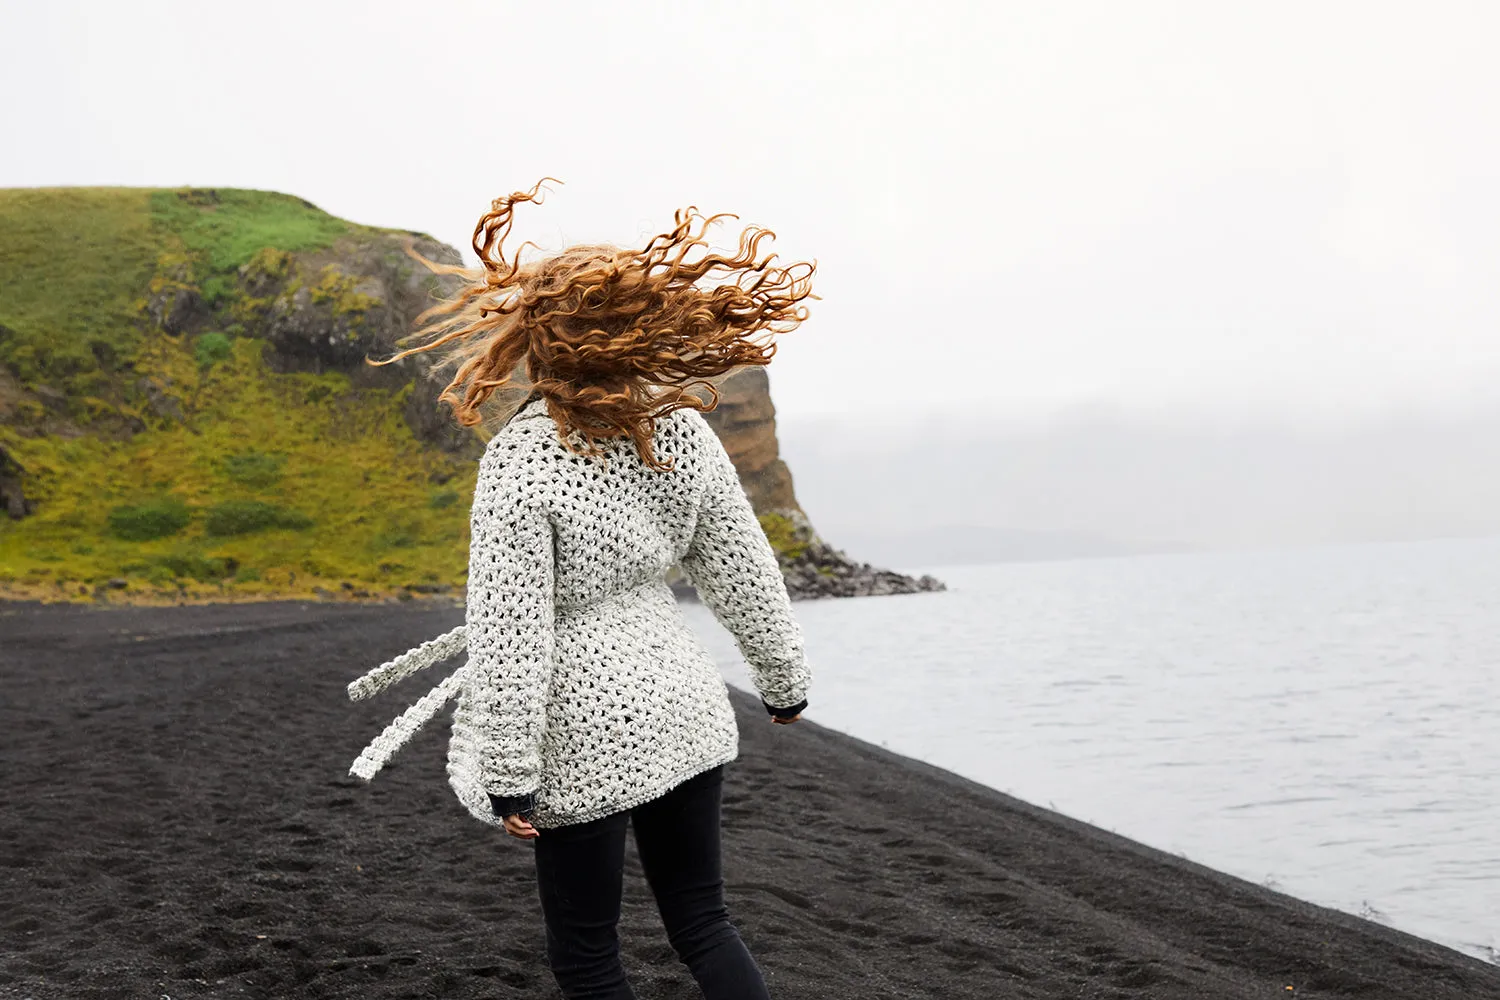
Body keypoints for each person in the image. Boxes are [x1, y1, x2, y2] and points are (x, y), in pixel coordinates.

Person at [344, 179, 816, 1000]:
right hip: (684, 709)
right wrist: (784, 683)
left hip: (579, 734)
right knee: (704, 924)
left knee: (590, 957)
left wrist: (509, 771)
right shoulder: (683, 431)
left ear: (537, 338)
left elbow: (511, 633)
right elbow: (742, 569)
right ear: (639, 329)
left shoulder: (520, 460)